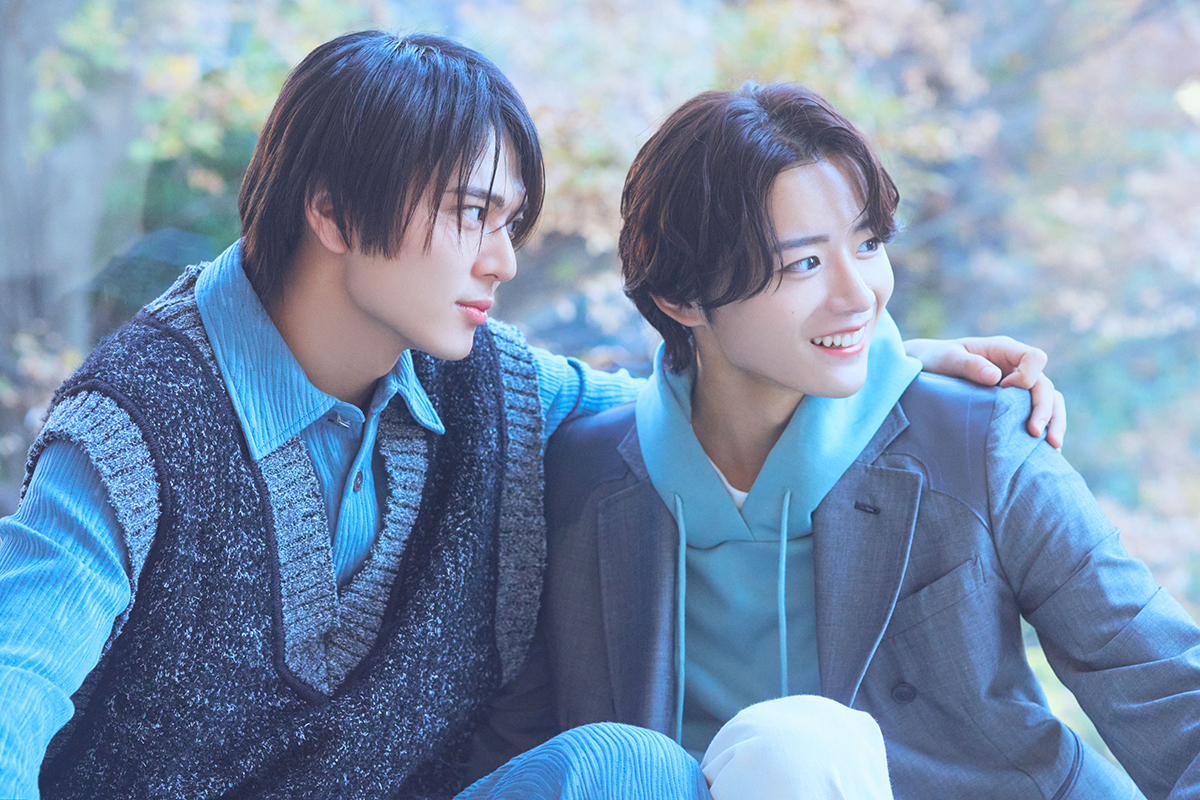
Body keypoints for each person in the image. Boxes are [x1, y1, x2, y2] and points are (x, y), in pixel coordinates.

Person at [0, 32, 1063, 799]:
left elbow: (688, 405)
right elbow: (18, 674)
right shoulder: (136, 421)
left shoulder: (487, 385)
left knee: (629, 768)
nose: (502, 261)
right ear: (329, 210)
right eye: (473, 216)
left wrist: (881, 365)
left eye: (510, 223)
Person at [516, 83, 1200, 799]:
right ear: (680, 298)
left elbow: (1166, 685)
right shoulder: (578, 480)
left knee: (796, 744)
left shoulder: (976, 437)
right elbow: (522, 749)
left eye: (868, 244)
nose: (859, 296)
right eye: (805, 264)